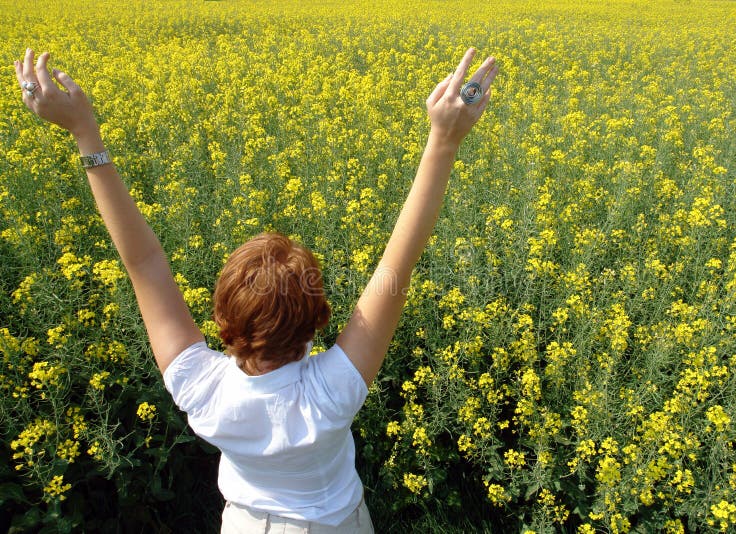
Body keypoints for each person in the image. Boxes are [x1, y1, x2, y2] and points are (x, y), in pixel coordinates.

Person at [14, 46, 498, 532]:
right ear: (317, 323)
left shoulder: (201, 392)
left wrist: (84, 132)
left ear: (222, 321)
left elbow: (143, 264)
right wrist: (443, 139)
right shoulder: (331, 395)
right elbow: (398, 265)